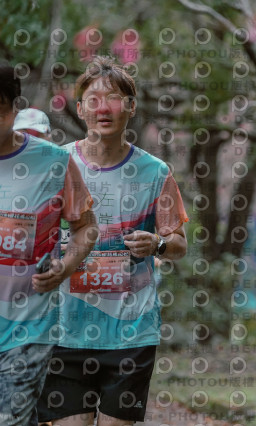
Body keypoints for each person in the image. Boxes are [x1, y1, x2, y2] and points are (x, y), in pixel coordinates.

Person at [37, 56, 189, 426]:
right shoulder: (56, 165)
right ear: (80, 109)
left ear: (131, 107)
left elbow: (179, 244)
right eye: (93, 100)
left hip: (130, 333)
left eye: (114, 99)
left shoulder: (155, 172)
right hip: (63, 331)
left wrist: (157, 243)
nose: (103, 108)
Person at [0, 65, 96, 425]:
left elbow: (86, 227)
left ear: (15, 107)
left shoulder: (53, 162)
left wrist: (65, 268)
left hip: (27, 328)